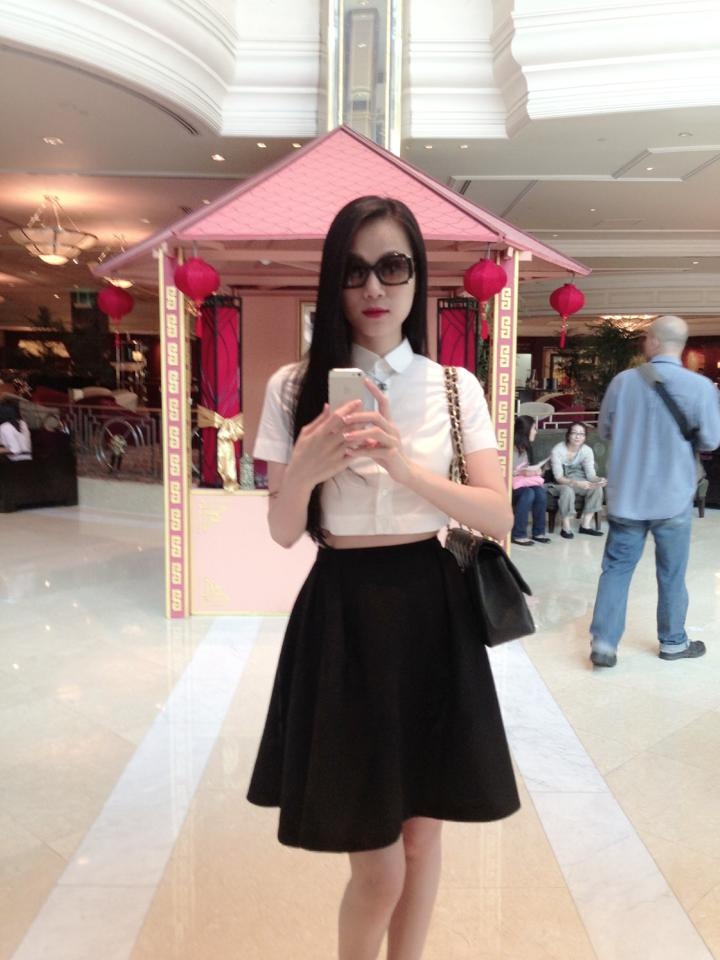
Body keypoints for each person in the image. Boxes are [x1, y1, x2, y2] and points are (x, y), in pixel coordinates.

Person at [248, 195, 519, 960]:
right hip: (342, 613)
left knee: (423, 838)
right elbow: (282, 530)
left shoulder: (453, 387)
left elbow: (497, 513)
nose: (374, 286)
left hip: (433, 607)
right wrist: (307, 466)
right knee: (377, 864)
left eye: (392, 266)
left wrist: (403, 467)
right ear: (333, 280)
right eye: (355, 269)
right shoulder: (292, 387)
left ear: (416, 277)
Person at [589, 315, 720, 668]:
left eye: (646, 337)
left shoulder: (622, 382)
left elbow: (604, 430)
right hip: (673, 498)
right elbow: (711, 440)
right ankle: (674, 642)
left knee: (617, 569)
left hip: (627, 495)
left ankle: (604, 643)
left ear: (656, 341)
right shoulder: (701, 388)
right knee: (672, 573)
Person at [548, 422, 606, 538]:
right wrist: (576, 483)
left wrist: (599, 480)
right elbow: (558, 478)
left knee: (596, 489)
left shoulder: (587, 451)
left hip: (580, 480)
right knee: (567, 490)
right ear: (568, 435)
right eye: (574, 433)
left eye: (581, 434)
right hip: (561, 482)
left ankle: (585, 526)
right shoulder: (557, 450)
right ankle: (566, 527)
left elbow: (590, 475)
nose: (578, 437)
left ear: (584, 437)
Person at [511, 414, 550, 545]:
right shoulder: (509, 448)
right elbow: (501, 471)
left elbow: (528, 469)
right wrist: (520, 471)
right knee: (528, 493)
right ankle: (518, 534)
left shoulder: (527, 448)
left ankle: (538, 532)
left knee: (540, 492)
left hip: (522, 483)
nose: (536, 432)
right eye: (534, 428)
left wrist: (538, 470)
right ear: (526, 430)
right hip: (509, 485)